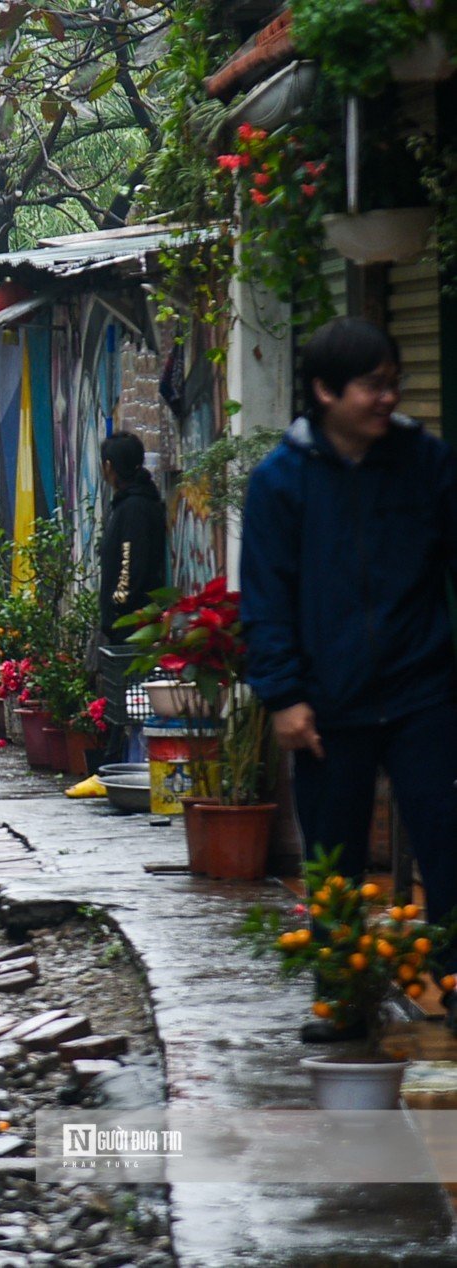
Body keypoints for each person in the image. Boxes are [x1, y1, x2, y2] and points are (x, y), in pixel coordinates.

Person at [240, 317, 457, 1043]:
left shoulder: (425, 462)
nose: (387, 397)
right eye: (373, 385)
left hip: (424, 689)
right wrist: (284, 694)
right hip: (326, 701)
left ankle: (455, 984)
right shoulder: (281, 481)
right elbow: (266, 595)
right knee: (331, 854)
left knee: (448, 840)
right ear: (327, 390)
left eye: (393, 382)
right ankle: (342, 994)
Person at [96, 431, 167, 639]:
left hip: (131, 629)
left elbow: (130, 562)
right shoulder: (132, 504)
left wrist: (117, 603)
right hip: (129, 625)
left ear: (109, 466)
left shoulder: (133, 508)